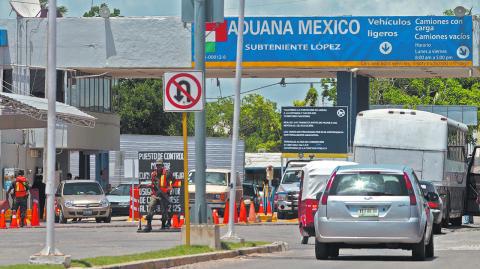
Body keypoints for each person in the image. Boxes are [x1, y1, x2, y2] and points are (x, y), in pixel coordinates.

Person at [142, 159, 174, 232]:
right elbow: (153, 185)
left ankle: (163, 224)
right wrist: (147, 187)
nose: (158, 167)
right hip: (155, 195)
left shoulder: (167, 174)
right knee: (151, 205)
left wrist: (165, 191)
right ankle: (148, 225)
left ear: (162, 166)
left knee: (164, 209)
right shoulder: (153, 174)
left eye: (160, 165)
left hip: (164, 195)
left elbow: (171, 186)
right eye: (157, 165)